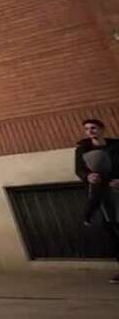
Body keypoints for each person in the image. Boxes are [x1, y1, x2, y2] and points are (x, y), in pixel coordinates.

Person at [74, 118, 119, 284]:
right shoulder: (82, 149)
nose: (90, 131)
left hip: (117, 189)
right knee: (113, 231)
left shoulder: (116, 146)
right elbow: (79, 169)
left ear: (102, 129)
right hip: (100, 192)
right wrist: (88, 176)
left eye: (93, 128)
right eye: (87, 129)